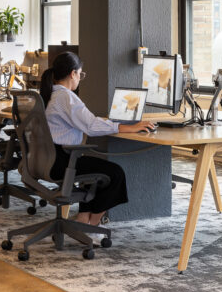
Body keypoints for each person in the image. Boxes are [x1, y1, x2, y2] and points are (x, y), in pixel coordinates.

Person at [41, 51, 155, 226]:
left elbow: (86, 122)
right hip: (62, 162)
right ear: (73, 73)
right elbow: (92, 126)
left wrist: (112, 124)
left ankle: (83, 217)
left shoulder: (51, 95)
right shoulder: (66, 97)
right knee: (115, 173)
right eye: (80, 74)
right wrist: (130, 127)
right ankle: (91, 224)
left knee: (91, 169)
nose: (80, 78)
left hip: (48, 160)